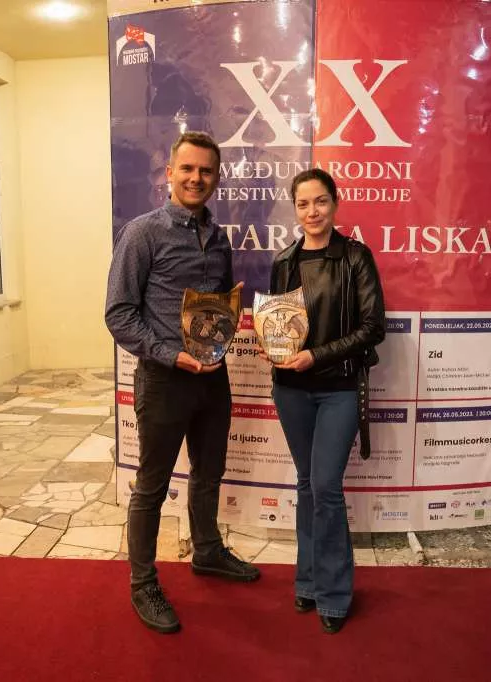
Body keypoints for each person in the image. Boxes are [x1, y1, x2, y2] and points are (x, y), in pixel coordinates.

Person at [105, 132, 260, 635]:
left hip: (213, 380)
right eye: (187, 169)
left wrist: (229, 310)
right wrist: (172, 355)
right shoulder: (141, 234)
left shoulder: (218, 237)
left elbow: (215, 308)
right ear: (169, 173)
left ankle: (208, 552)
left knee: (209, 474)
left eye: (206, 171)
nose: (197, 178)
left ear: (217, 178)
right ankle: (143, 582)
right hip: (165, 380)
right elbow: (119, 314)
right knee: (151, 486)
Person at [263, 168, 386, 634]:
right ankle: (309, 581)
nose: (312, 211)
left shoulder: (355, 257)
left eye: (320, 201)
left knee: (326, 487)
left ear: (335, 202)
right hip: (291, 389)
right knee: (307, 485)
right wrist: (273, 346)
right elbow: (279, 323)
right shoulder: (283, 261)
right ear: (295, 209)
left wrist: (317, 355)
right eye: (303, 204)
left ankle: (334, 594)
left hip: (339, 388)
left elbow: (373, 327)